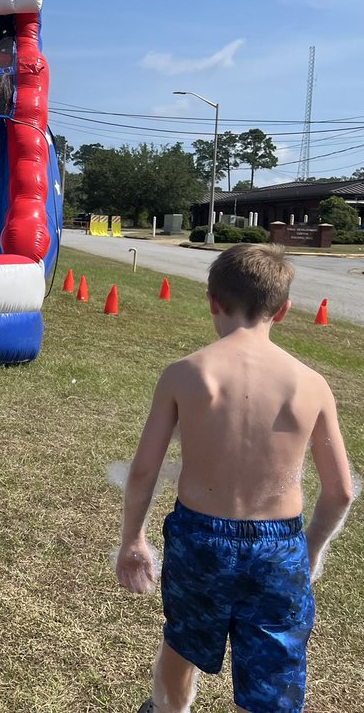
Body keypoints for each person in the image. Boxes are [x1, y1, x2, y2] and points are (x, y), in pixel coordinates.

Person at [117, 244, 354, 713]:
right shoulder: (310, 384)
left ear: (211, 300)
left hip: (199, 537)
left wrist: (133, 539)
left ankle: (169, 708)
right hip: (278, 543)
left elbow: (144, 469)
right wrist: (309, 551)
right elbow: (341, 490)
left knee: (184, 640)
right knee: (273, 664)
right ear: (283, 310)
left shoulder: (186, 374)